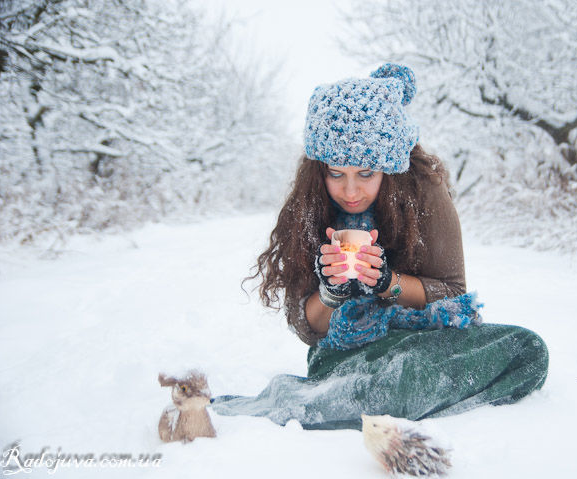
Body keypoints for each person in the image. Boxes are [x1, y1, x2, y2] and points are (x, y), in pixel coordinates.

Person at [211, 63, 549, 430]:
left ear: (389, 168)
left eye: (366, 174)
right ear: (319, 169)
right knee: (402, 378)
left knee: (528, 350)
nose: (350, 191)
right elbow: (307, 327)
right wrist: (331, 292)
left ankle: (348, 398)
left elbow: (452, 292)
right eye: (336, 173)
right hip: (347, 354)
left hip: (426, 342)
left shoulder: (424, 193)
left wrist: (387, 282)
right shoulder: (311, 206)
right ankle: (380, 396)